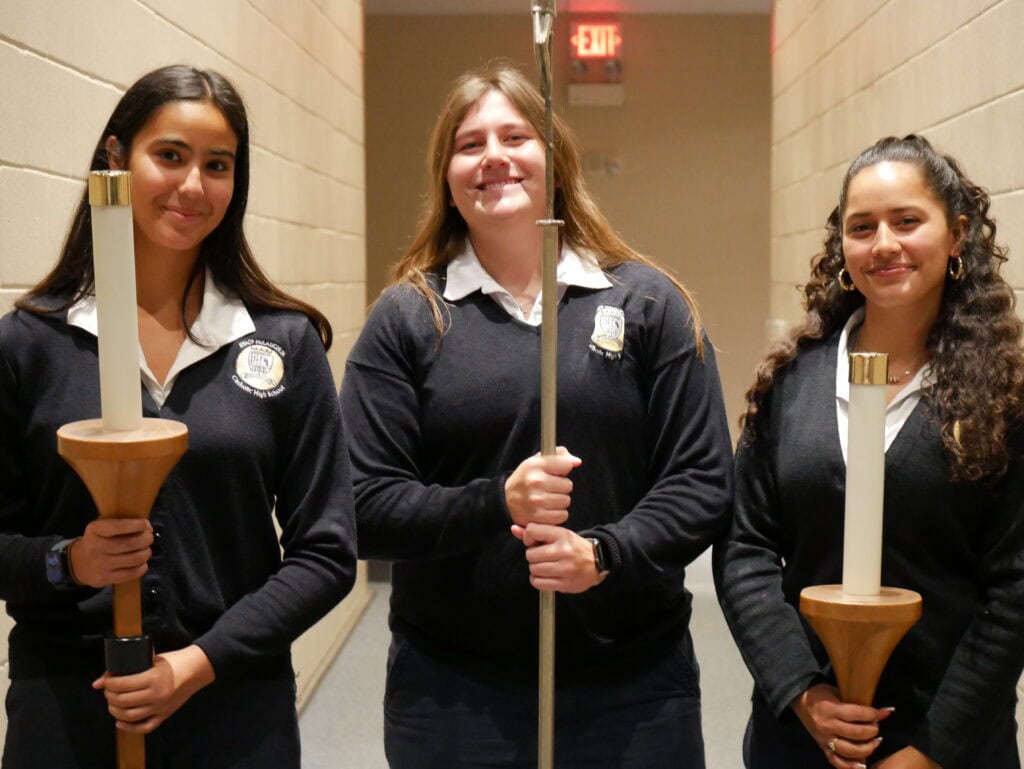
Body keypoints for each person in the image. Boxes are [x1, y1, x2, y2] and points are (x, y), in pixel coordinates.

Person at [339, 61, 733, 768]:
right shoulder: (406, 319)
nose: (493, 156)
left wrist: (603, 553)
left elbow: (702, 481)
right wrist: (498, 501)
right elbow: (363, 507)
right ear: (447, 178)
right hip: (454, 692)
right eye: (470, 144)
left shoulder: (648, 304)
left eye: (515, 136)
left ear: (556, 162)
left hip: (634, 688)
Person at [0, 65, 357, 768]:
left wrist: (195, 664)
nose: (194, 185)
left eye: (217, 165)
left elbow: (326, 551)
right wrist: (70, 560)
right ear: (115, 158)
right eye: (170, 155)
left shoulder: (282, 342)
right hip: (71, 702)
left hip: (234, 701)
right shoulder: (29, 344)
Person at [714, 134, 1024, 769]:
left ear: (957, 234)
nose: (884, 244)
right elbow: (743, 547)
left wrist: (931, 750)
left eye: (907, 221)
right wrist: (802, 691)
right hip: (803, 737)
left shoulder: (1003, 398)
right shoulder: (795, 382)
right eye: (862, 227)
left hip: (947, 739)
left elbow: (1015, 589)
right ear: (842, 248)